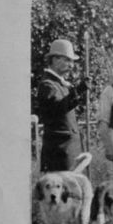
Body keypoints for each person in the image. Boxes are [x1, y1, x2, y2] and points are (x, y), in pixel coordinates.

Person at [37, 39, 84, 172]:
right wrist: (78, 91)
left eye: (72, 61)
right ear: (55, 60)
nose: (71, 65)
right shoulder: (47, 85)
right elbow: (57, 109)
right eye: (67, 60)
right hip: (59, 152)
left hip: (69, 150)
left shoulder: (61, 84)